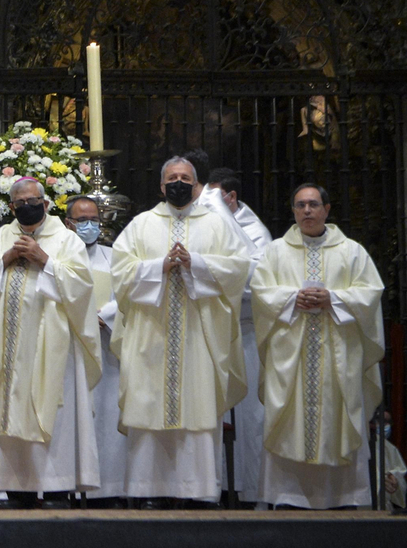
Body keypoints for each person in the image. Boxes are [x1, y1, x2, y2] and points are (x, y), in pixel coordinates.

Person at [110, 157, 254, 508]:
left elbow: (239, 269)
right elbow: (121, 272)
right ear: (162, 186)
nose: (179, 182)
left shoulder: (217, 225)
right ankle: (149, 491)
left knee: (197, 408)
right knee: (148, 406)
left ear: (196, 185)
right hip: (151, 337)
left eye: (185, 178)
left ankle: (197, 492)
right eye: (172, 177)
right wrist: (160, 266)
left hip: (199, 340)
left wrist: (196, 264)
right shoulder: (141, 224)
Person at [0, 177, 100, 509]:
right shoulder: (0, 238)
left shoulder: (66, 240)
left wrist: (45, 260)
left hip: (52, 348)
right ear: (12, 207)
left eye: (33, 201)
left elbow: (82, 285)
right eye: (20, 203)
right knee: (5, 413)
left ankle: (56, 489)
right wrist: (7, 257)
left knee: (54, 411)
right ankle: (16, 490)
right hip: (3, 348)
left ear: (46, 203)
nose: (27, 207)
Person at [250, 184, 385, 509]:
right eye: (300, 205)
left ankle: (343, 498)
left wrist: (333, 299)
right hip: (291, 357)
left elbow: (370, 293)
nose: (307, 211)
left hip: (338, 356)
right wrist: (291, 298)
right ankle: (287, 497)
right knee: (290, 422)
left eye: (313, 204)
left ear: (326, 209)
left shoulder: (352, 252)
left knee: (337, 419)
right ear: (293, 211)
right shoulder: (276, 251)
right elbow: (260, 292)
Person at [204, 167, 273, 506]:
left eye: (213, 199)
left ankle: (247, 493)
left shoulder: (255, 232)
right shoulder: (209, 223)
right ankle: (212, 489)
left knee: (248, 420)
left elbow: (254, 282)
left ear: (230, 198)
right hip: (211, 333)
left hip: (244, 335)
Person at [65, 195, 125, 505]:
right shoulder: (58, 256)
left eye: (94, 220)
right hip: (71, 347)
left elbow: (127, 291)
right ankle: (70, 484)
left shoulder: (114, 256)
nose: (89, 226)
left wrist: (106, 315)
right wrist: (84, 318)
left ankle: (109, 488)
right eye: (82, 221)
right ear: (68, 223)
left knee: (105, 415)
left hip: (106, 346)